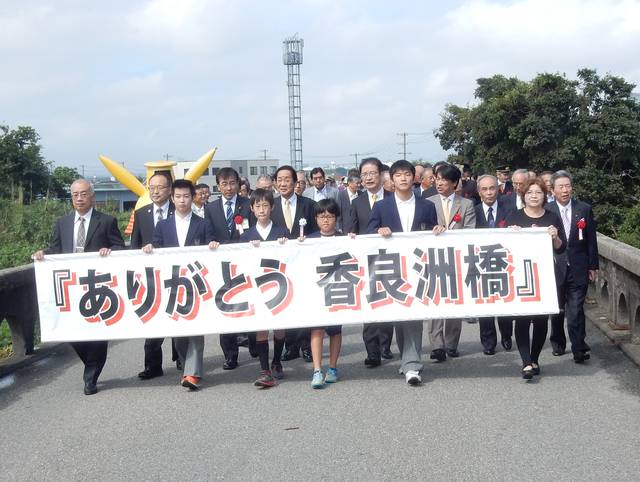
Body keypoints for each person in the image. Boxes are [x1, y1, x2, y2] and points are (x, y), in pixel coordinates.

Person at [32, 179, 125, 395]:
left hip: (98, 285)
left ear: (92, 196)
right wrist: (43, 254)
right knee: (72, 331)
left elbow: (119, 246)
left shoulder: (107, 221)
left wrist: (109, 252)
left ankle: (91, 375)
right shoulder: (62, 223)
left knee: (98, 332)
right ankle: (91, 362)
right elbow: (56, 249)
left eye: (84, 194)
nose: (80, 198)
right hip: (72, 287)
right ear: (71, 198)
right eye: (75, 195)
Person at [367, 160, 443, 386]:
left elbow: (432, 233)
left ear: (414, 178)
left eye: (407, 174)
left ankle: (412, 365)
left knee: (413, 317)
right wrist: (378, 231)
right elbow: (369, 233)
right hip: (391, 270)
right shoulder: (381, 207)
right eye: (398, 175)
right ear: (391, 179)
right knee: (400, 317)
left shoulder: (426, 206)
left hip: (417, 269)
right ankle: (407, 360)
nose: (403, 178)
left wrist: (438, 230)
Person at [143, 179, 215, 390]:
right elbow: (156, 247)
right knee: (179, 331)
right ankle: (187, 367)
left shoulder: (203, 224)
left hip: (196, 283)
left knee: (195, 329)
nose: (182, 200)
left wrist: (212, 245)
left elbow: (212, 247)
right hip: (172, 285)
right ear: (172, 199)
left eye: (186, 196)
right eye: (178, 196)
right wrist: (150, 248)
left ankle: (193, 373)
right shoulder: (163, 225)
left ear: (193, 198)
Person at [505, 177, 566, 379]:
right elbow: (504, 248)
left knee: (541, 320)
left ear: (545, 195)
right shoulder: (515, 216)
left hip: (544, 275)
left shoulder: (552, 217)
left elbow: (561, 247)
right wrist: (509, 234)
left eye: (538, 192)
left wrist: (555, 236)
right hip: (521, 274)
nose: (534, 196)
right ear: (524, 196)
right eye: (530, 192)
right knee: (521, 320)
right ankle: (525, 362)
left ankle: (535, 358)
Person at [130, 172, 181, 379]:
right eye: (151, 188)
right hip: (151, 277)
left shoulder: (179, 211)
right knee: (152, 321)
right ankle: (152, 365)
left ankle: (181, 359)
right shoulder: (141, 213)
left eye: (160, 187)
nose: (155, 191)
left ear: (170, 190)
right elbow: (134, 244)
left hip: (176, 274)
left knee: (178, 318)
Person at [204, 167, 254, 370]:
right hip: (222, 266)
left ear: (239, 183)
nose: (229, 187)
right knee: (224, 308)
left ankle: (254, 345)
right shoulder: (211, 208)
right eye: (224, 184)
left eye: (232, 183)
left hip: (246, 263)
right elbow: (208, 234)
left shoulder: (247, 204)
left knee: (250, 304)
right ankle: (230, 355)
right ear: (218, 186)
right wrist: (211, 244)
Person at [546, 170, 598, 363]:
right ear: (553, 190)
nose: (565, 190)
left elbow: (591, 239)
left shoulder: (583, 208)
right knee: (558, 308)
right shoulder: (547, 209)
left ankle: (579, 347)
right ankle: (558, 342)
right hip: (555, 266)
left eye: (568, 186)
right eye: (561, 187)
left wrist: (593, 265)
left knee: (576, 309)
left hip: (578, 265)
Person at [239, 188, 289, 386]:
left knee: (279, 329)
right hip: (256, 287)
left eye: (265, 206)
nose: (262, 210)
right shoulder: (246, 236)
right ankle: (264, 369)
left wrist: (286, 244)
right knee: (261, 328)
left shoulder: (281, 232)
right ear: (252, 209)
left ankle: (277, 361)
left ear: (272, 207)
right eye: (257, 206)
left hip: (279, 286)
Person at [348, 157, 395, 365]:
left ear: (381, 174)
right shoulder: (356, 202)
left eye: (372, 173)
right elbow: (352, 230)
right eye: (364, 174)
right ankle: (372, 351)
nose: (367, 178)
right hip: (366, 260)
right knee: (369, 307)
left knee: (388, 303)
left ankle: (386, 345)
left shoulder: (393, 198)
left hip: (390, 258)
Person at [427, 163, 476, 360]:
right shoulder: (428, 202)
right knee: (435, 301)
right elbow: (422, 229)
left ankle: (452, 343)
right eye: (437, 179)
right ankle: (436, 345)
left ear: (455, 183)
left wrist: (450, 234)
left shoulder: (466, 204)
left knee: (455, 302)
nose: (439, 183)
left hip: (457, 259)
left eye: (444, 180)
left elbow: (470, 230)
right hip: (433, 259)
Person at [299, 198, 348, 388]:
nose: (326, 220)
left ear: (336, 218)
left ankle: (333, 367)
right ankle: (317, 370)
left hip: (337, 289)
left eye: (330, 216)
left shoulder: (344, 238)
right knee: (317, 329)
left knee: (335, 330)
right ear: (316, 219)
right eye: (321, 216)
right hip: (316, 291)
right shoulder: (308, 240)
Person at [271, 165, 317, 362]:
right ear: (275, 183)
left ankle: (306, 346)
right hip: (279, 265)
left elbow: (316, 232)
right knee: (285, 304)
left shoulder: (309, 204)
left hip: (304, 262)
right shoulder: (269, 205)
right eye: (279, 180)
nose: (283, 183)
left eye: (287, 179)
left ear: (295, 182)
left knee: (305, 304)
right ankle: (290, 347)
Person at [474, 174, 515, 354]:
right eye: (484, 189)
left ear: (498, 189)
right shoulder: (472, 211)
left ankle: (507, 336)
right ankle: (488, 342)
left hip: (503, 262)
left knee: (504, 302)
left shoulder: (510, 209)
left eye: (492, 188)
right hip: (480, 263)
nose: (489, 193)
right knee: (485, 304)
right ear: (479, 192)